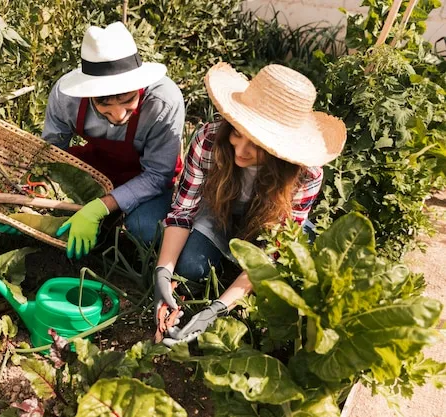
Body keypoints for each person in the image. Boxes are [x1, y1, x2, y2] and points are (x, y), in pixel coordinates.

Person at [153, 62, 346, 346]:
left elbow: (273, 250)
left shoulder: (306, 175)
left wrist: (218, 309)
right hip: (221, 213)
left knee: (293, 272)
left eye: (256, 145)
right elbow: (183, 211)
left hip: (267, 227)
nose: (240, 151)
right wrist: (162, 272)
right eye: (236, 133)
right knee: (191, 266)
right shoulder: (209, 140)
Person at [39, 21, 185, 260]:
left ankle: (112, 218)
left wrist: (101, 206)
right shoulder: (66, 97)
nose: (118, 115)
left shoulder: (164, 102)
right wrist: (25, 196)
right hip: (98, 165)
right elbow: (52, 153)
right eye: (103, 104)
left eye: (127, 100)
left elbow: (158, 174)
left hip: (147, 176)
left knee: (146, 229)